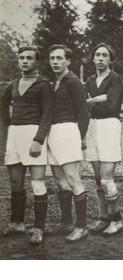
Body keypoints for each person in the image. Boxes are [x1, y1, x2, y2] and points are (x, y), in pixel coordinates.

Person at [0, 46, 54, 245]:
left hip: (34, 134)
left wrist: (38, 139)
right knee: (15, 182)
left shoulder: (43, 85)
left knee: (37, 182)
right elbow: (3, 103)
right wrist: (7, 125)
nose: (24, 61)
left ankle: (38, 228)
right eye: (21, 58)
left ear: (36, 62)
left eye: (29, 58)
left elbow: (48, 114)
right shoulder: (13, 84)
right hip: (15, 134)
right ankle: (17, 223)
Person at [47, 44, 90, 242]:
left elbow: (84, 112)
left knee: (73, 178)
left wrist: (78, 137)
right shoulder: (55, 82)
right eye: (52, 58)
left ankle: (82, 226)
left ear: (68, 61)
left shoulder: (73, 81)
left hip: (68, 131)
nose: (55, 62)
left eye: (59, 58)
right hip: (54, 132)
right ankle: (66, 221)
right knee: (59, 179)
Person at [84, 43, 123, 236]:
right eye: (97, 55)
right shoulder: (90, 80)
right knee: (98, 177)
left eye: (104, 56)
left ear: (110, 60)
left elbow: (112, 105)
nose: (100, 58)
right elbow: (84, 106)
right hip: (93, 126)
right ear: (93, 58)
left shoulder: (115, 78)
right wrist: (100, 98)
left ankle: (117, 220)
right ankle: (104, 218)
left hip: (109, 126)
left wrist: (93, 101)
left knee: (107, 177)